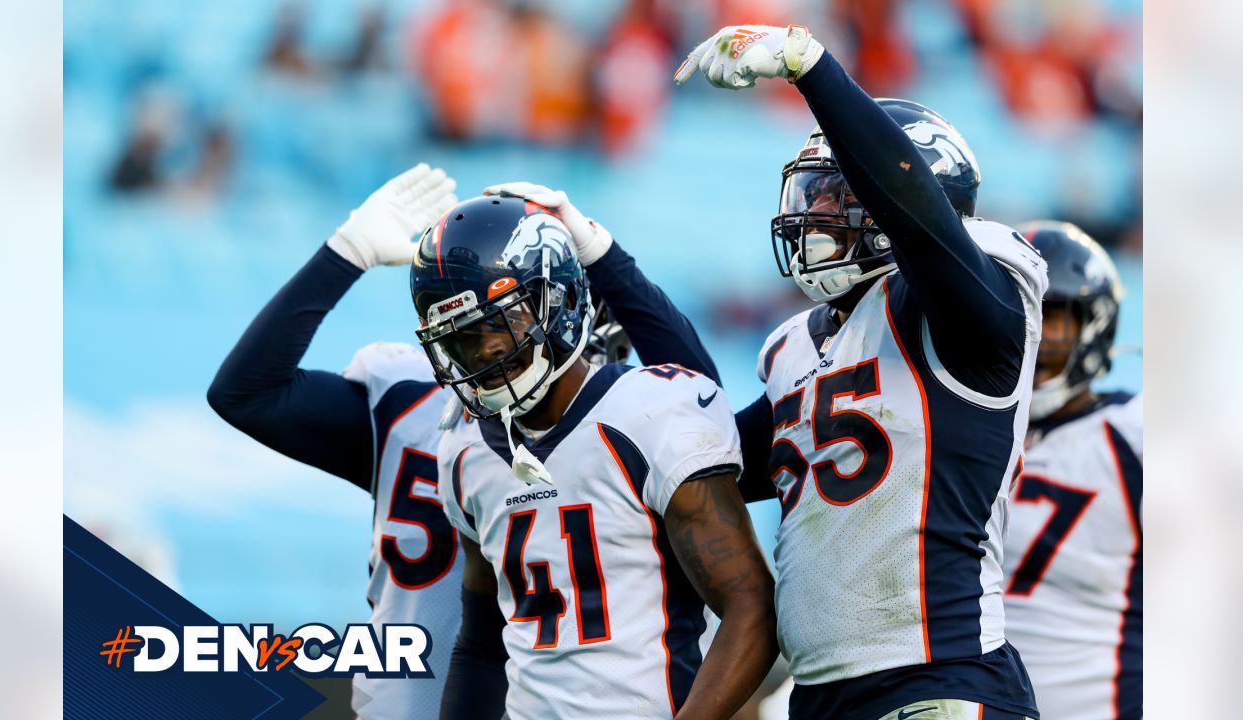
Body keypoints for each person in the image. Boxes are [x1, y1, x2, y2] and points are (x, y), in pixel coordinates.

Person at [206, 166, 725, 719]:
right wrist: (347, 250)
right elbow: (245, 394)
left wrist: (603, 254)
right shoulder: (414, 403)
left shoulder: (622, 421)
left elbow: (700, 407)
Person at [675, 24, 1048, 720]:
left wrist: (813, 70)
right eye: (812, 193)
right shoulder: (799, 345)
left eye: (837, 193)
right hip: (820, 696)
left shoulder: (976, 305)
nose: (815, 211)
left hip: (942, 677)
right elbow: (698, 461)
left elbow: (920, 223)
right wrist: (612, 276)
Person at [415, 192, 779, 720]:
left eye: (503, 321)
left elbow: (751, 605)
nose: (487, 349)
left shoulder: (648, 411)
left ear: (557, 300)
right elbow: (482, 645)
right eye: (464, 337)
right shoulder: (464, 451)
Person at [1001, 221, 1141, 719]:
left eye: (1052, 314)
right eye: (1015, 312)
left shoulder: (1133, 431)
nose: (1033, 332)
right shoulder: (953, 432)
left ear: (1094, 324)